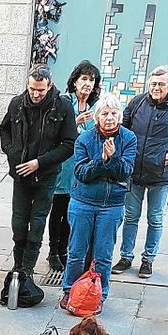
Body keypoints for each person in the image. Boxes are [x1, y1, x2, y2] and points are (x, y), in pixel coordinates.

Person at [113, 65, 168, 278]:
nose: (156, 88)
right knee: (131, 216)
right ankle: (126, 256)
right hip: (134, 172)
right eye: (153, 84)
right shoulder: (137, 103)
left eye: (161, 84)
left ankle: (148, 260)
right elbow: (122, 129)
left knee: (155, 219)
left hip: (160, 175)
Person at [61, 95, 138, 309]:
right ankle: (70, 291)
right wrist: (102, 160)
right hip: (83, 202)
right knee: (76, 252)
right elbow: (82, 173)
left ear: (120, 117)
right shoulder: (84, 139)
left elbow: (125, 172)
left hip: (111, 205)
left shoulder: (129, 138)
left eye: (114, 113)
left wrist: (112, 159)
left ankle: (99, 295)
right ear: (97, 118)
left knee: (103, 255)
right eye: (104, 113)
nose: (109, 118)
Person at [0, 66, 78, 276]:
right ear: (28, 84)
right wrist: (11, 151)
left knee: (37, 223)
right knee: (18, 222)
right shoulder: (17, 103)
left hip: (46, 175)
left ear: (50, 85)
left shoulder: (63, 106)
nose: (35, 94)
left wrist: (40, 162)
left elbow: (69, 144)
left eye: (41, 90)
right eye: (33, 89)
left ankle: (28, 268)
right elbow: (4, 129)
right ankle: (18, 264)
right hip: (20, 173)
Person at [48, 61, 101, 273]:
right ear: (75, 81)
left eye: (92, 80)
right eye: (84, 79)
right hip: (63, 166)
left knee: (73, 212)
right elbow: (54, 132)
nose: (87, 84)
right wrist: (75, 122)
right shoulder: (64, 102)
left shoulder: (96, 107)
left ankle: (64, 250)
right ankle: (53, 251)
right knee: (58, 209)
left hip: (82, 169)